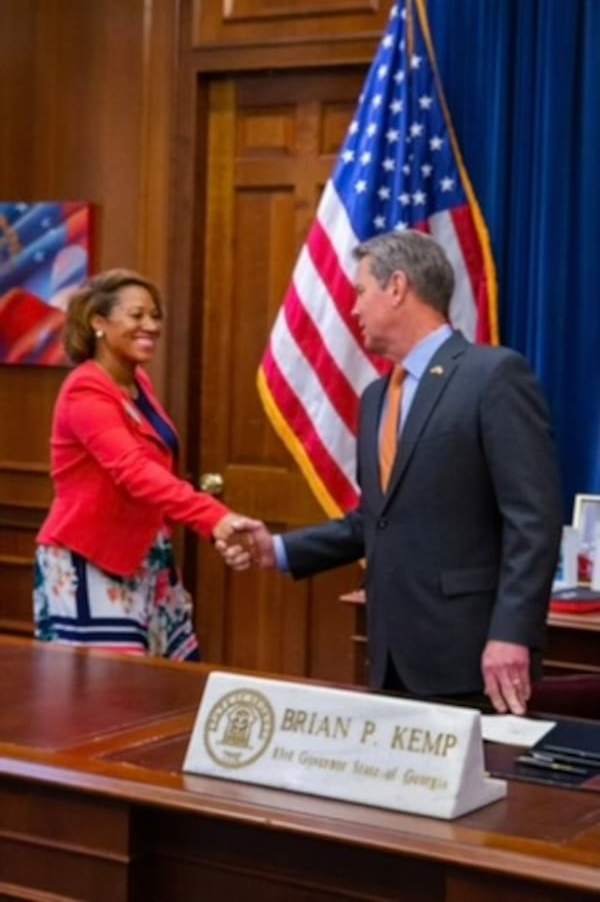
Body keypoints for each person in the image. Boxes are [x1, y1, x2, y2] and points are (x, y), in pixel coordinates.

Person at [220, 230, 563, 714]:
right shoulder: (377, 398)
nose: (354, 309)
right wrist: (276, 550)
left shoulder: (493, 376)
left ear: (397, 287)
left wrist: (511, 633)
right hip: (390, 656)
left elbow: (534, 520)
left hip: (472, 656)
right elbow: (377, 519)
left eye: (361, 291)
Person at [35, 268, 256, 661]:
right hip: (91, 558)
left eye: (155, 316)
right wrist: (213, 517)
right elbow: (134, 470)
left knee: (163, 685)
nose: (151, 326)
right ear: (98, 322)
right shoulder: (85, 390)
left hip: (146, 553)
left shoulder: (137, 383)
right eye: (137, 316)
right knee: (106, 696)